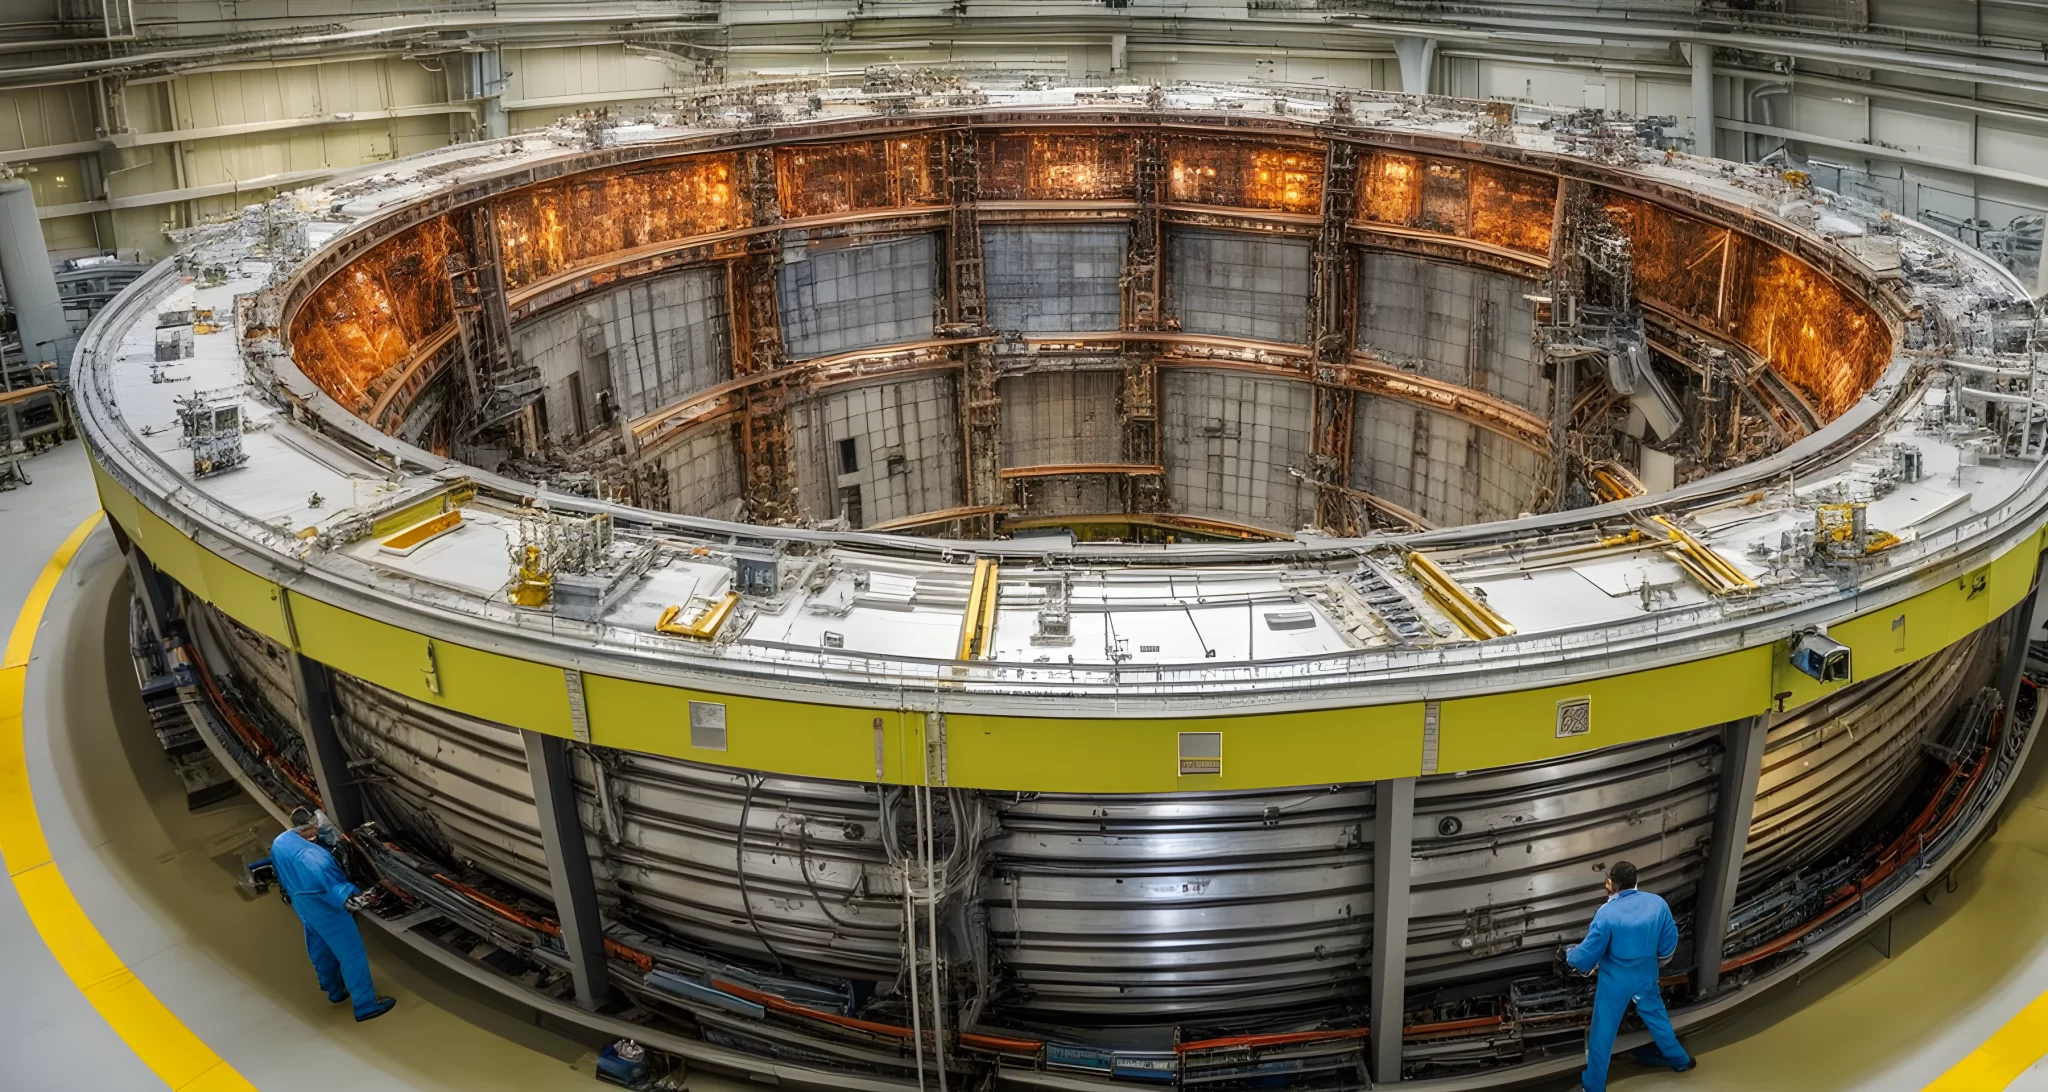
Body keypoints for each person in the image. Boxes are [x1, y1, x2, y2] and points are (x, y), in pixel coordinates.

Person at [1564, 860, 1693, 1091]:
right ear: (1636, 881)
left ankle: (1593, 1087)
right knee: (1657, 1018)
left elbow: (1587, 956)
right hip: (1646, 974)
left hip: (1615, 982)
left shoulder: (1607, 914)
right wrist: (1654, 963)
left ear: (1612, 884)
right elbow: (1669, 944)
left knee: (1602, 1034)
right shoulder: (1657, 904)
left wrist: (1569, 953)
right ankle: (1681, 1061)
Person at [268, 807, 395, 1022]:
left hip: (302, 903)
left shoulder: (281, 841)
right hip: (325, 907)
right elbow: (348, 900)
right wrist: (379, 892)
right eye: (315, 829)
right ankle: (366, 1006)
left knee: (320, 948)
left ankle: (335, 991)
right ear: (309, 829)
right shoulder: (316, 858)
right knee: (351, 954)